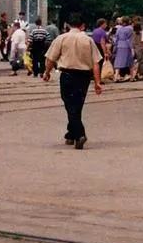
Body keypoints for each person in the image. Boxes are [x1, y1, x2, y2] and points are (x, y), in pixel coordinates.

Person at [43, 13, 103, 150]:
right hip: (84, 77)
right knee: (77, 105)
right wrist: (98, 82)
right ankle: (71, 133)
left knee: (69, 105)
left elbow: (51, 59)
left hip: (67, 75)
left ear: (68, 25)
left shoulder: (61, 38)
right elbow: (96, 63)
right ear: (82, 26)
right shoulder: (88, 40)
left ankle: (79, 134)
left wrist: (47, 72)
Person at [111, 17, 135, 82]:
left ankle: (116, 76)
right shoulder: (130, 29)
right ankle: (132, 77)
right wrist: (132, 48)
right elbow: (129, 40)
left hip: (119, 45)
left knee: (118, 62)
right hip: (126, 46)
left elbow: (115, 38)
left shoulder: (118, 29)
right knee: (130, 62)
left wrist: (115, 47)